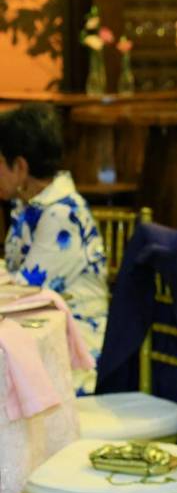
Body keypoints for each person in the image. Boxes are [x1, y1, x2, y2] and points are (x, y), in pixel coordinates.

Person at [0, 103, 107, 393]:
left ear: (20, 167)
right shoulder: (28, 206)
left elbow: (24, 292)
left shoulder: (63, 216)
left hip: (78, 355)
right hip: (42, 341)